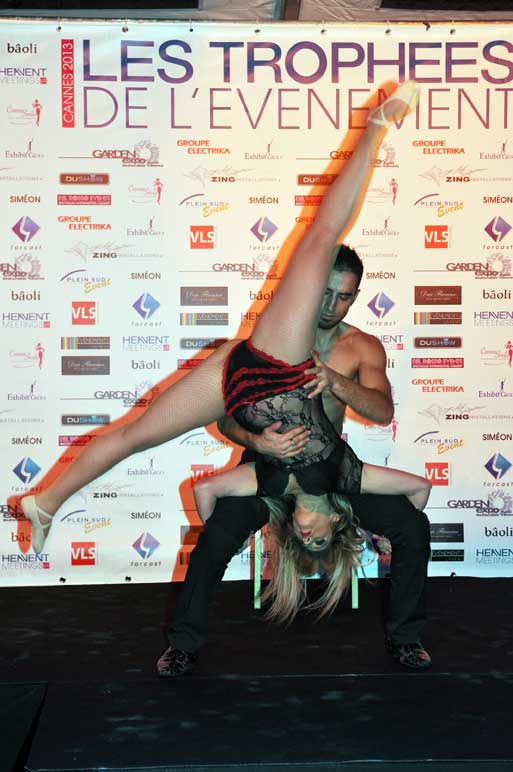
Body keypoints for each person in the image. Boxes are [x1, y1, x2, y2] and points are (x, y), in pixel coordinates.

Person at [21, 80, 426, 589]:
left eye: (307, 539)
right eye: (321, 536)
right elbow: (418, 488)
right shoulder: (349, 477)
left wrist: (319, 398)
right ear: (337, 518)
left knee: (134, 435)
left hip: (249, 372)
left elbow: (212, 489)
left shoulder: (289, 472)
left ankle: (46, 502)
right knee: (322, 238)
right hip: (267, 366)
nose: (309, 531)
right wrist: (376, 533)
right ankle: (375, 129)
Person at [157, 249, 432, 677]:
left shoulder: (361, 347)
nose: (331, 305)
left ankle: (405, 638)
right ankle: (183, 646)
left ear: (356, 297)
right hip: (268, 464)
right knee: (215, 538)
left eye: (343, 296)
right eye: (325, 292)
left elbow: (382, 411)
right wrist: (256, 440)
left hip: (329, 471)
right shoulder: (269, 345)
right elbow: (225, 418)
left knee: (412, 528)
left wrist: (334, 380)